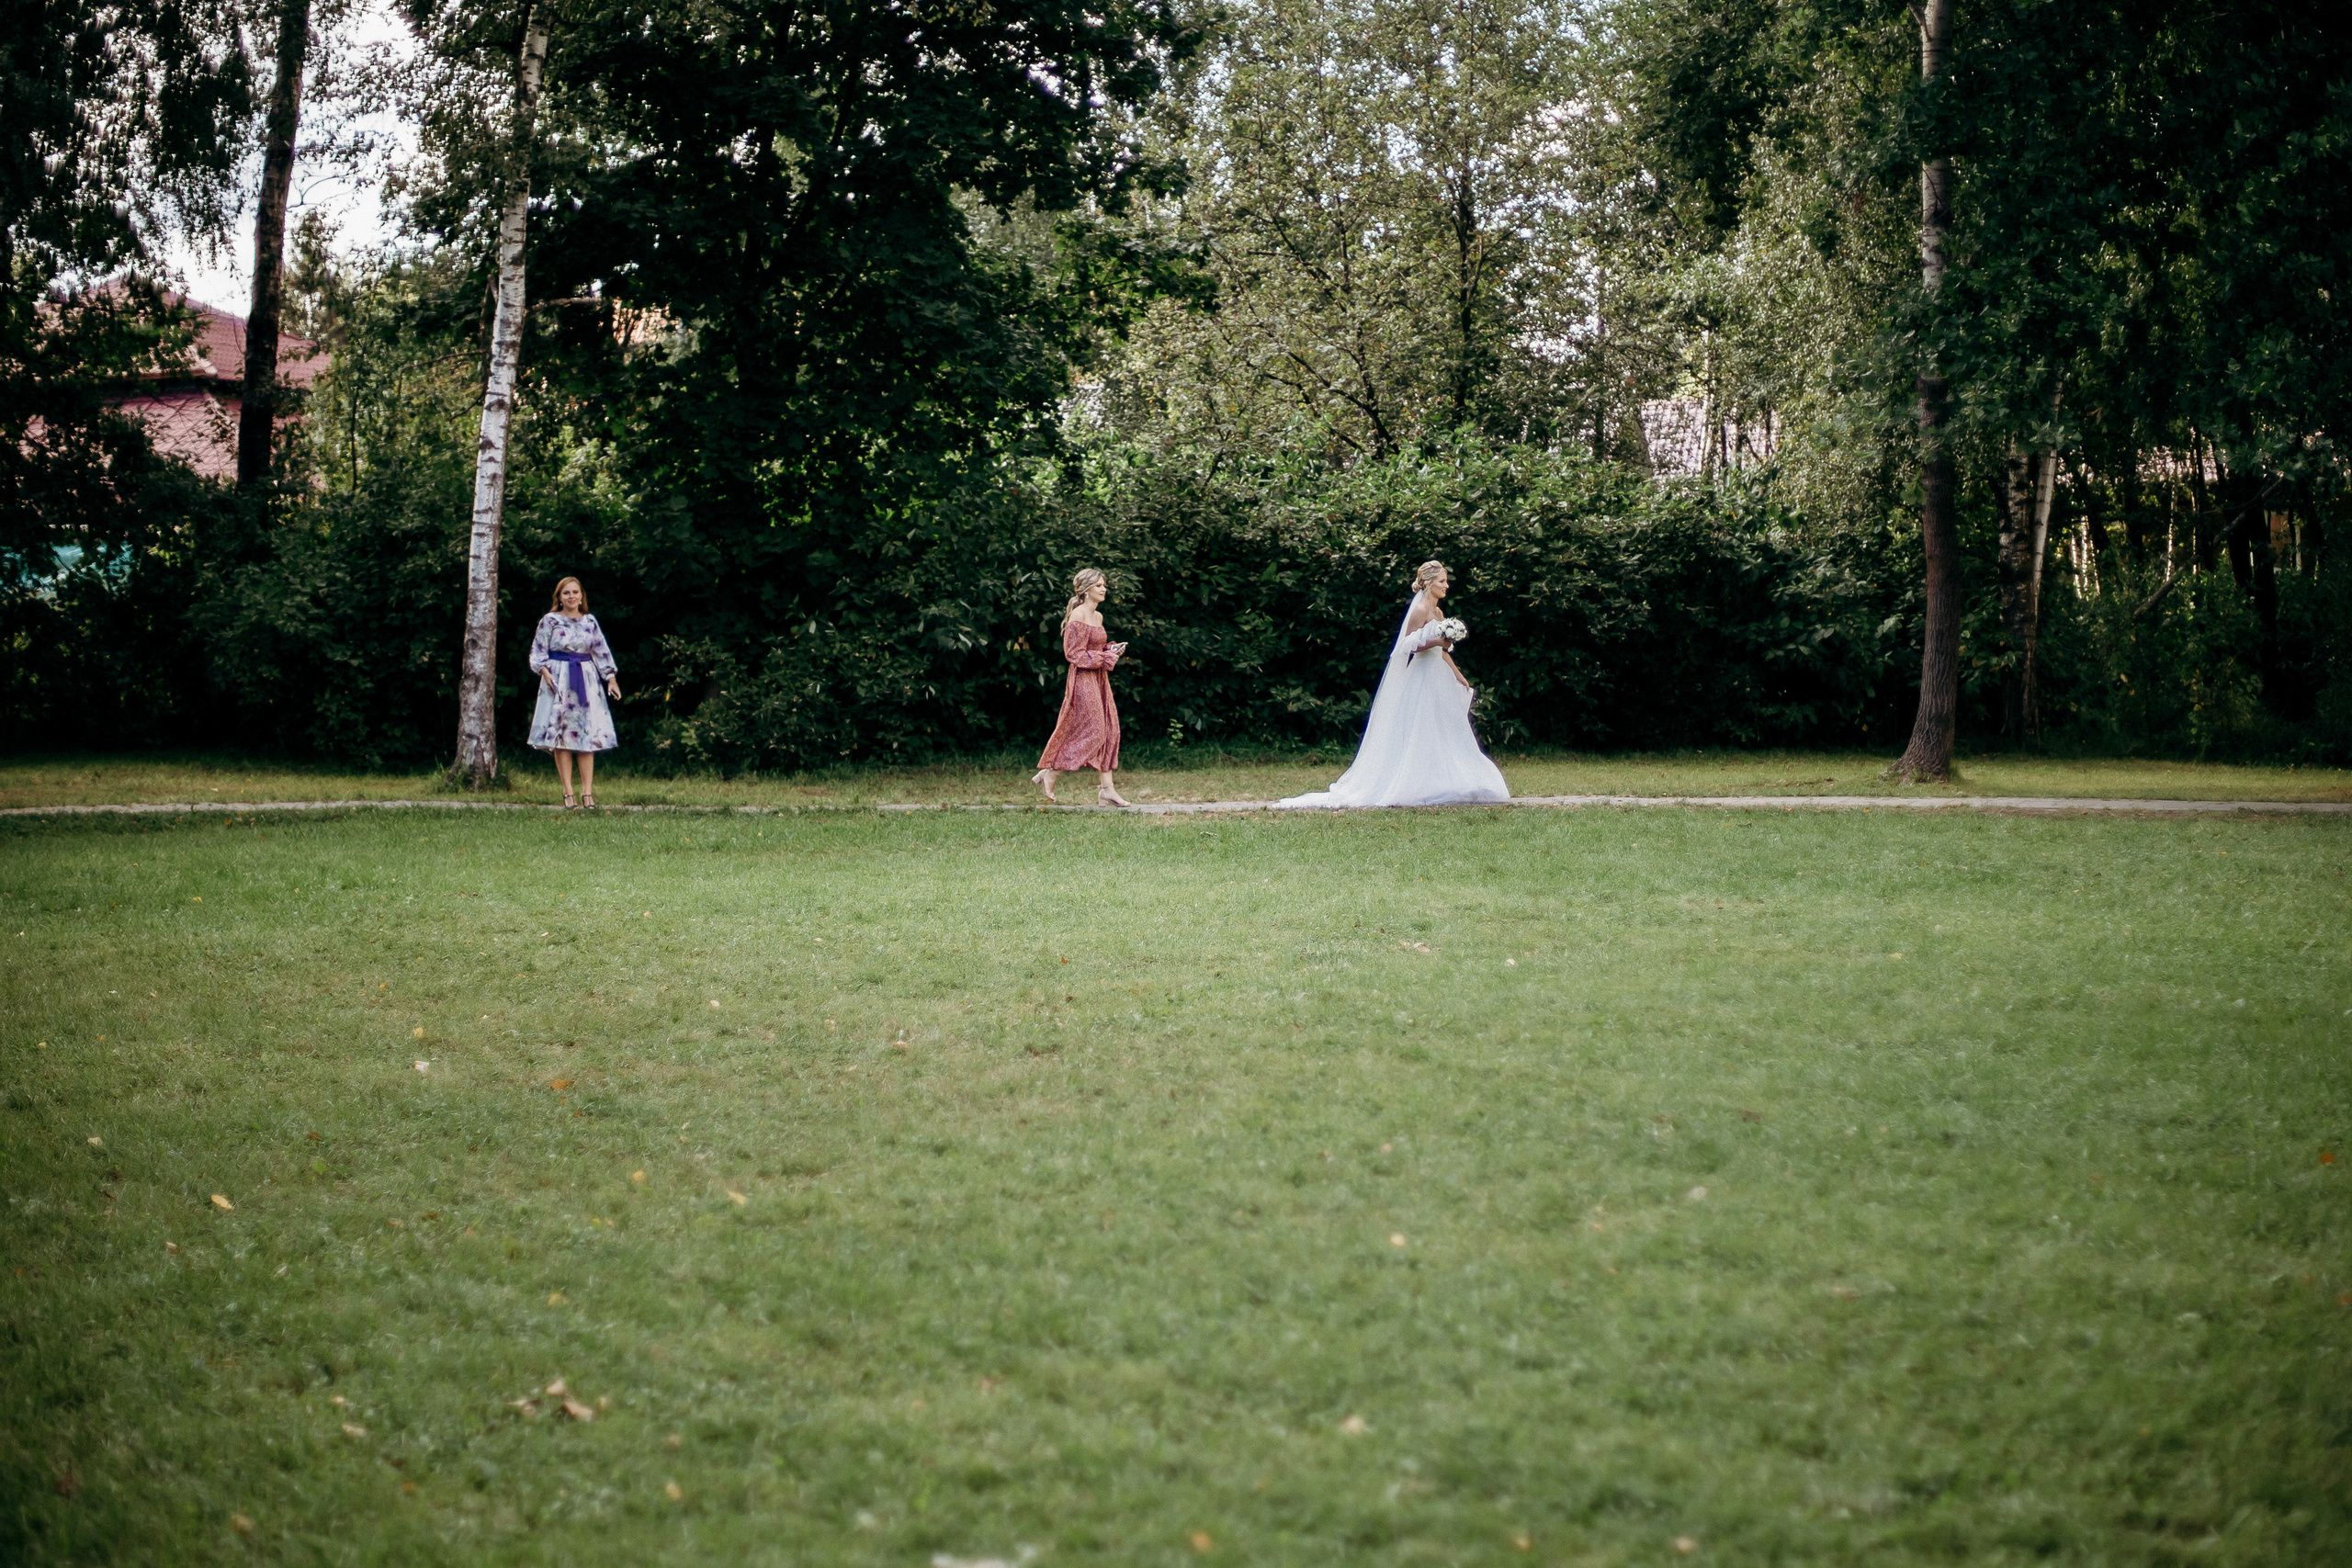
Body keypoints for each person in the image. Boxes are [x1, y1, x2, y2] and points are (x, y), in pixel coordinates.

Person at [1276, 559, 1510, 809]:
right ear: (1428, 584)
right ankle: (1417, 782)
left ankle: (1448, 778)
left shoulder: (1440, 614)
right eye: (1442, 581)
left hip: (1439, 674)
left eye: (1446, 581)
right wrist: (1435, 641)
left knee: (1446, 725)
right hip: (1421, 675)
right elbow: (1407, 645)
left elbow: (1443, 652)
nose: (1446, 585)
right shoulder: (1420, 610)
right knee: (1420, 726)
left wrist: (1457, 674)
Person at [1032, 568, 1131, 807]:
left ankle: (1107, 790)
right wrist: (1103, 659)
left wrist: (1110, 651)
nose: (1103, 588)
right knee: (1095, 730)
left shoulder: (1098, 617)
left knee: (1110, 730)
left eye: (1104, 585)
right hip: (1083, 679)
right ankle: (1051, 772)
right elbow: (1073, 654)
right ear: (1086, 590)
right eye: (1098, 585)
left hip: (1099, 679)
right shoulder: (1078, 615)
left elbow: (1094, 648)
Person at [528, 577, 621, 809]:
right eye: (566, 593)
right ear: (559, 597)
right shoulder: (550, 621)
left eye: (575, 592)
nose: (571, 597)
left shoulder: (589, 621)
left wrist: (610, 678)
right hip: (559, 680)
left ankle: (587, 794)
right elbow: (537, 651)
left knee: (586, 737)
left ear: (582, 595)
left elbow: (600, 651)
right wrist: (544, 671)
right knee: (562, 736)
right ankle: (568, 793)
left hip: (586, 679)